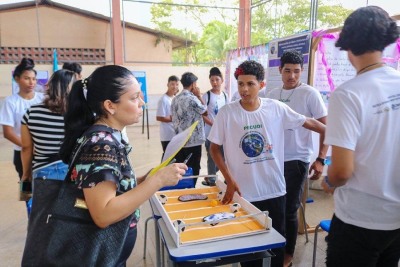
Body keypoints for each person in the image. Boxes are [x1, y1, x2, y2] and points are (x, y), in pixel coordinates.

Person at [58, 65, 187, 266]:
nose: (142, 103)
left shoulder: (107, 136)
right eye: (134, 98)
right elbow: (103, 214)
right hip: (99, 254)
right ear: (110, 105)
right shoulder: (101, 143)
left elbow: (114, 189)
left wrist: (146, 180)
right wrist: (158, 181)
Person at [208, 60, 325, 267]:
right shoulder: (227, 113)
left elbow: (310, 122)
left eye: (250, 84)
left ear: (261, 85)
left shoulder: (276, 109)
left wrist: (338, 134)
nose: (244, 89)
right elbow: (214, 149)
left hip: (274, 191)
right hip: (244, 194)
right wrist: (229, 180)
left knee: (275, 246)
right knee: (249, 250)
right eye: (240, 83)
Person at [324, 6, 400, 266]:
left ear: (347, 45)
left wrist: (328, 180)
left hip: (359, 221)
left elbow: (342, 171)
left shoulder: (348, 94)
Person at [265, 50, 328, 267]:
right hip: (274, 158)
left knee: (289, 208)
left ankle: (287, 254)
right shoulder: (271, 94)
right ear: (280, 70)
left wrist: (321, 158)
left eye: (297, 71)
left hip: (297, 159)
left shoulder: (310, 94)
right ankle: (273, 246)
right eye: (288, 70)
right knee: (274, 205)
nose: (292, 75)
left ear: (302, 71)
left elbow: (325, 127)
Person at [20, 69, 76, 187]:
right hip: (72, 171)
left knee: (42, 206)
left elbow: (26, 148)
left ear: (50, 86)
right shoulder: (79, 113)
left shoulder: (31, 112)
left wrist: (26, 174)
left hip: (42, 171)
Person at [0, 58, 44, 181]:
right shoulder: (10, 102)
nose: (31, 82)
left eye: (34, 79)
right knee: (27, 187)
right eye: (27, 78)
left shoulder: (43, 99)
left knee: (45, 187)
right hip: (21, 153)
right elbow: (8, 133)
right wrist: (28, 147)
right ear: (17, 79)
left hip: (43, 153)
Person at [171, 72, 207, 181]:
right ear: (193, 84)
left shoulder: (175, 99)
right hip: (193, 140)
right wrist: (199, 96)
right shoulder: (193, 98)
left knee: (182, 167)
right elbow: (205, 112)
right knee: (194, 167)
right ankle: (191, 187)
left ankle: (182, 187)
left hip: (180, 139)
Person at [202, 67, 229, 186]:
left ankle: (217, 176)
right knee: (211, 156)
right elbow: (202, 115)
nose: (214, 82)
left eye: (217, 80)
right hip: (210, 132)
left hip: (223, 132)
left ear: (222, 80)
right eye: (212, 80)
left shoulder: (225, 95)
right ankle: (212, 180)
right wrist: (213, 124)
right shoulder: (206, 96)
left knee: (224, 156)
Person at [156, 75, 179, 160]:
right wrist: (173, 118)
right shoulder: (163, 99)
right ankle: (161, 172)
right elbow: (159, 117)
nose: (175, 86)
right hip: (167, 135)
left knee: (174, 158)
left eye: (177, 84)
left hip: (175, 134)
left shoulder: (175, 98)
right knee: (167, 159)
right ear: (168, 85)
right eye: (172, 84)